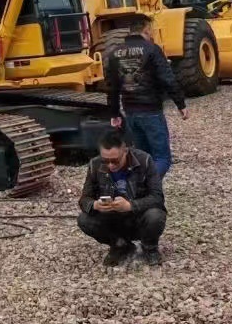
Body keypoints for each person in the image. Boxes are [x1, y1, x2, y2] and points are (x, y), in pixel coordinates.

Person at [102, 14, 188, 176]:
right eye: (152, 30)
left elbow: (111, 86)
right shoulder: (152, 49)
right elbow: (167, 79)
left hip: (131, 112)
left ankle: (141, 191)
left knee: (142, 157)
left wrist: (114, 113)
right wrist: (181, 104)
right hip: (151, 111)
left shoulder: (115, 53)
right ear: (146, 29)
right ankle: (146, 187)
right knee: (162, 158)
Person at [77, 129, 166, 265]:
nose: (110, 165)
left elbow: (157, 197)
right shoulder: (94, 164)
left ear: (125, 151)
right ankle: (120, 245)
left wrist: (130, 206)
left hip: (138, 217)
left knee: (156, 215)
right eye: (105, 160)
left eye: (115, 161)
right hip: (111, 219)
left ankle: (150, 247)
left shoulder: (144, 160)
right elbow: (84, 199)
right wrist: (95, 205)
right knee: (84, 219)